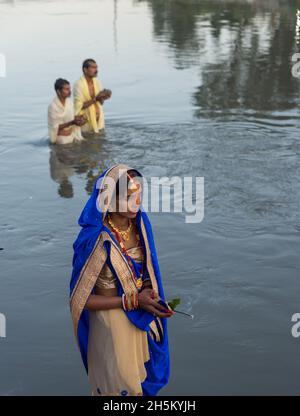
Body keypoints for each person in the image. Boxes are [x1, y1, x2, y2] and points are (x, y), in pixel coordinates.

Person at [69, 164, 174, 396]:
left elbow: (147, 271)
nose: (136, 203)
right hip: (111, 326)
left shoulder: (140, 225)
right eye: (128, 197)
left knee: (141, 386)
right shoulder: (94, 238)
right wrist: (131, 301)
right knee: (119, 389)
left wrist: (153, 299)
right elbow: (81, 299)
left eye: (139, 196)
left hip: (139, 320)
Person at [73, 59, 112, 134]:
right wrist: (95, 99)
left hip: (99, 121)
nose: (96, 70)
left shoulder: (97, 82)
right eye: (93, 68)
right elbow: (79, 106)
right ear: (85, 69)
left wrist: (104, 96)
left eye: (96, 67)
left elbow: (100, 103)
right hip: (86, 123)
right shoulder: (78, 85)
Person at [48, 78, 87, 145]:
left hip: (72, 133)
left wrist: (80, 118)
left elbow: (71, 117)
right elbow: (55, 127)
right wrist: (72, 122)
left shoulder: (69, 102)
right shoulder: (53, 107)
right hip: (60, 138)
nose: (69, 91)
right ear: (58, 91)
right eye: (66, 89)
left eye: (69, 89)